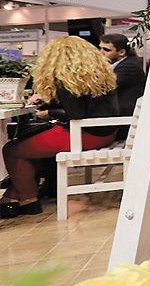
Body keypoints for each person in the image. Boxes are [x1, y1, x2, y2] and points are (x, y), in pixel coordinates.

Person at [1, 37, 119, 218]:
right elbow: (83, 106)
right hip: (103, 132)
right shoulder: (95, 75)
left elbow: (75, 114)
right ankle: (13, 197)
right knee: (26, 149)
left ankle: (28, 199)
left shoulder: (66, 79)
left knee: (12, 149)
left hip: (83, 133)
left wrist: (48, 113)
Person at [99, 33, 146, 134]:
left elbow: (106, 86)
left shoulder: (129, 66)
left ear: (121, 52)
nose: (101, 52)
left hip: (123, 123)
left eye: (106, 50)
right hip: (123, 120)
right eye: (100, 48)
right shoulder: (127, 63)